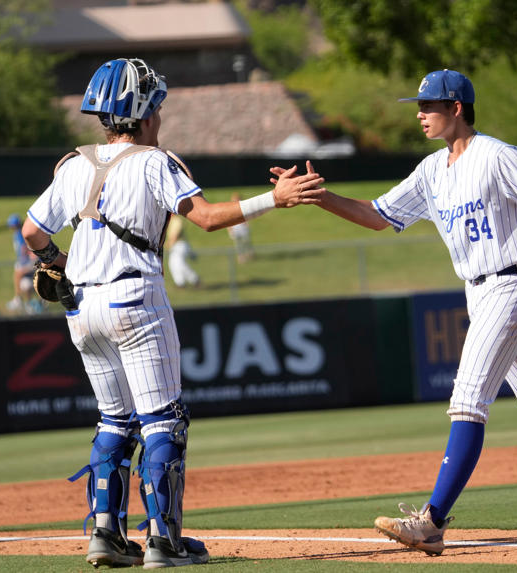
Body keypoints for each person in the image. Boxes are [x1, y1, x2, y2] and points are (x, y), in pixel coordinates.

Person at [272, 69, 517, 555]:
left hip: (511, 286)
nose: (420, 114)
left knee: (467, 398)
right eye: (419, 106)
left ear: (457, 108)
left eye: (428, 106)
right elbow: (378, 216)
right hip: (478, 291)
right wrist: (320, 196)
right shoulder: (431, 170)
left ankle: (432, 521)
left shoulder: (499, 156)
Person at [21, 57, 323, 569]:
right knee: (164, 421)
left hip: (81, 308)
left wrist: (58, 263)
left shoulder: (72, 165)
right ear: (142, 113)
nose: (160, 116)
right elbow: (205, 219)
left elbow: (32, 233)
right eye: (156, 106)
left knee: (114, 420)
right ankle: (164, 541)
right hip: (135, 300)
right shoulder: (154, 162)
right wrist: (273, 199)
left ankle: (105, 535)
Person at [6, 214, 40, 314]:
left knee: (18, 273)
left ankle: (17, 299)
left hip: (33, 262)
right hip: (28, 262)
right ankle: (28, 304)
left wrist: (27, 255)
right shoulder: (18, 233)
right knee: (26, 285)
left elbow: (25, 249)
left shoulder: (21, 234)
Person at [165, 214, 201, 288]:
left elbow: (175, 235)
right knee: (173, 264)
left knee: (180, 264)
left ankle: (194, 279)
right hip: (175, 246)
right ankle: (180, 282)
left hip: (180, 245)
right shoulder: (171, 220)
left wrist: (168, 245)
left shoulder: (177, 220)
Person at [227, 192, 255, 263]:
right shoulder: (230, 209)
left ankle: (249, 254)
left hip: (243, 228)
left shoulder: (243, 208)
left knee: (246, 242)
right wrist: (230, 230)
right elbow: (228, 221)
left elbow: (246, 218)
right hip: (236, 228)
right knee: (238, 244)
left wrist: (247, 225)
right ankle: (241, 257)